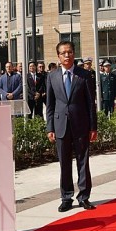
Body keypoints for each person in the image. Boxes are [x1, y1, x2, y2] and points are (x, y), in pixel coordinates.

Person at [45, 41, 98, 212]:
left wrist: (93, 126)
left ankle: (84, 197)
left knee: (83, 161)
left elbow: (91, 103)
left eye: (69, 52)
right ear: (58, 56)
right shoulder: (52, 76)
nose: (66, 55)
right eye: (63, 53)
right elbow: (50, 105)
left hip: (81, 124)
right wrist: (50, 128)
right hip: (60, 125)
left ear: (74, 54)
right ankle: (66, 197)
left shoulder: (84, 75)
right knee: (64, 163)